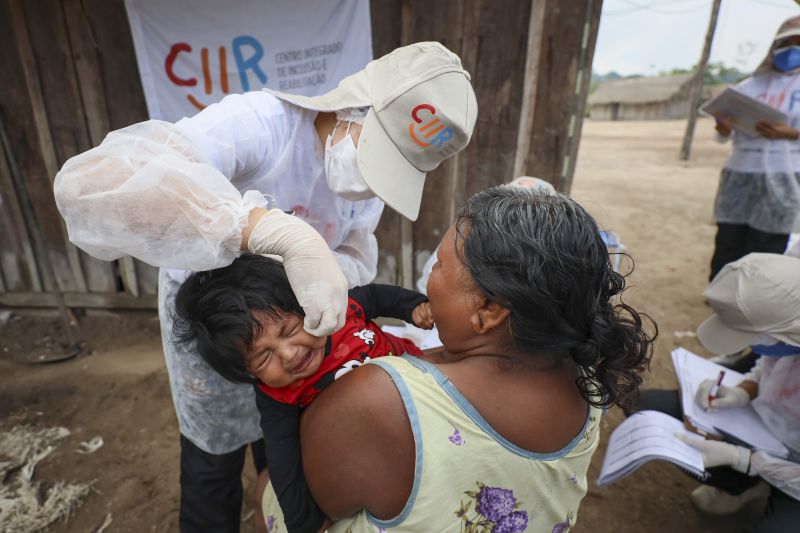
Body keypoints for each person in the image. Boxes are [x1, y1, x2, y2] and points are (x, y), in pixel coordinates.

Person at [53, 42, 477, 532]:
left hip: (299, 334)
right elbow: (90, 188)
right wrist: (262, 230)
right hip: (222, 326)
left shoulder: (365, 193)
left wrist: (331, 276)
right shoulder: (262, 125)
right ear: (354, 104)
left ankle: (273, 508)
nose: (371, 181)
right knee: (214, 456)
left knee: (283, 444)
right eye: (378, 153)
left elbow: (357, 256)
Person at [255, 186, 656, 532]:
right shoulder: (584, 360)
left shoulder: (383, 399)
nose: (430, 276)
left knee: (264, 487)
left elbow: (308, 511)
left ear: (488, 310)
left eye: (440, 265)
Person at [172, 253, 432, 532]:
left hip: (429, 396)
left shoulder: (339, 312)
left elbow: (377, 296)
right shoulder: (276, 397)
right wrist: (305, 522)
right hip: (375, 454)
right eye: (262, 358)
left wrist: (413, 306)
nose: (289, 353)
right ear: (249, 375)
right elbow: (284, 464)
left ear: (306, 305)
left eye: (290, 329)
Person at [638, 253, 800, 531]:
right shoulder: (789, 332)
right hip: (767, 431)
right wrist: (742, 391)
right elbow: (767, 367)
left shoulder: (788, 332)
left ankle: (761, 482)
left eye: (753, 337)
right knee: (651, 411)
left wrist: (743, 459)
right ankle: (745, 485)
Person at [708, 16, 800, 281]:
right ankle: (720, 292)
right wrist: (723, 127)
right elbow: (724, 135)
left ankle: (753, 300)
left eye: (799, 42)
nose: (792, 49)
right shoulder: (750, 86)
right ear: (775, 45)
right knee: (729, 238)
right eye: (787, 42)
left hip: (786, 175)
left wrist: (792, 133)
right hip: (741, 171)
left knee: (767, 242)